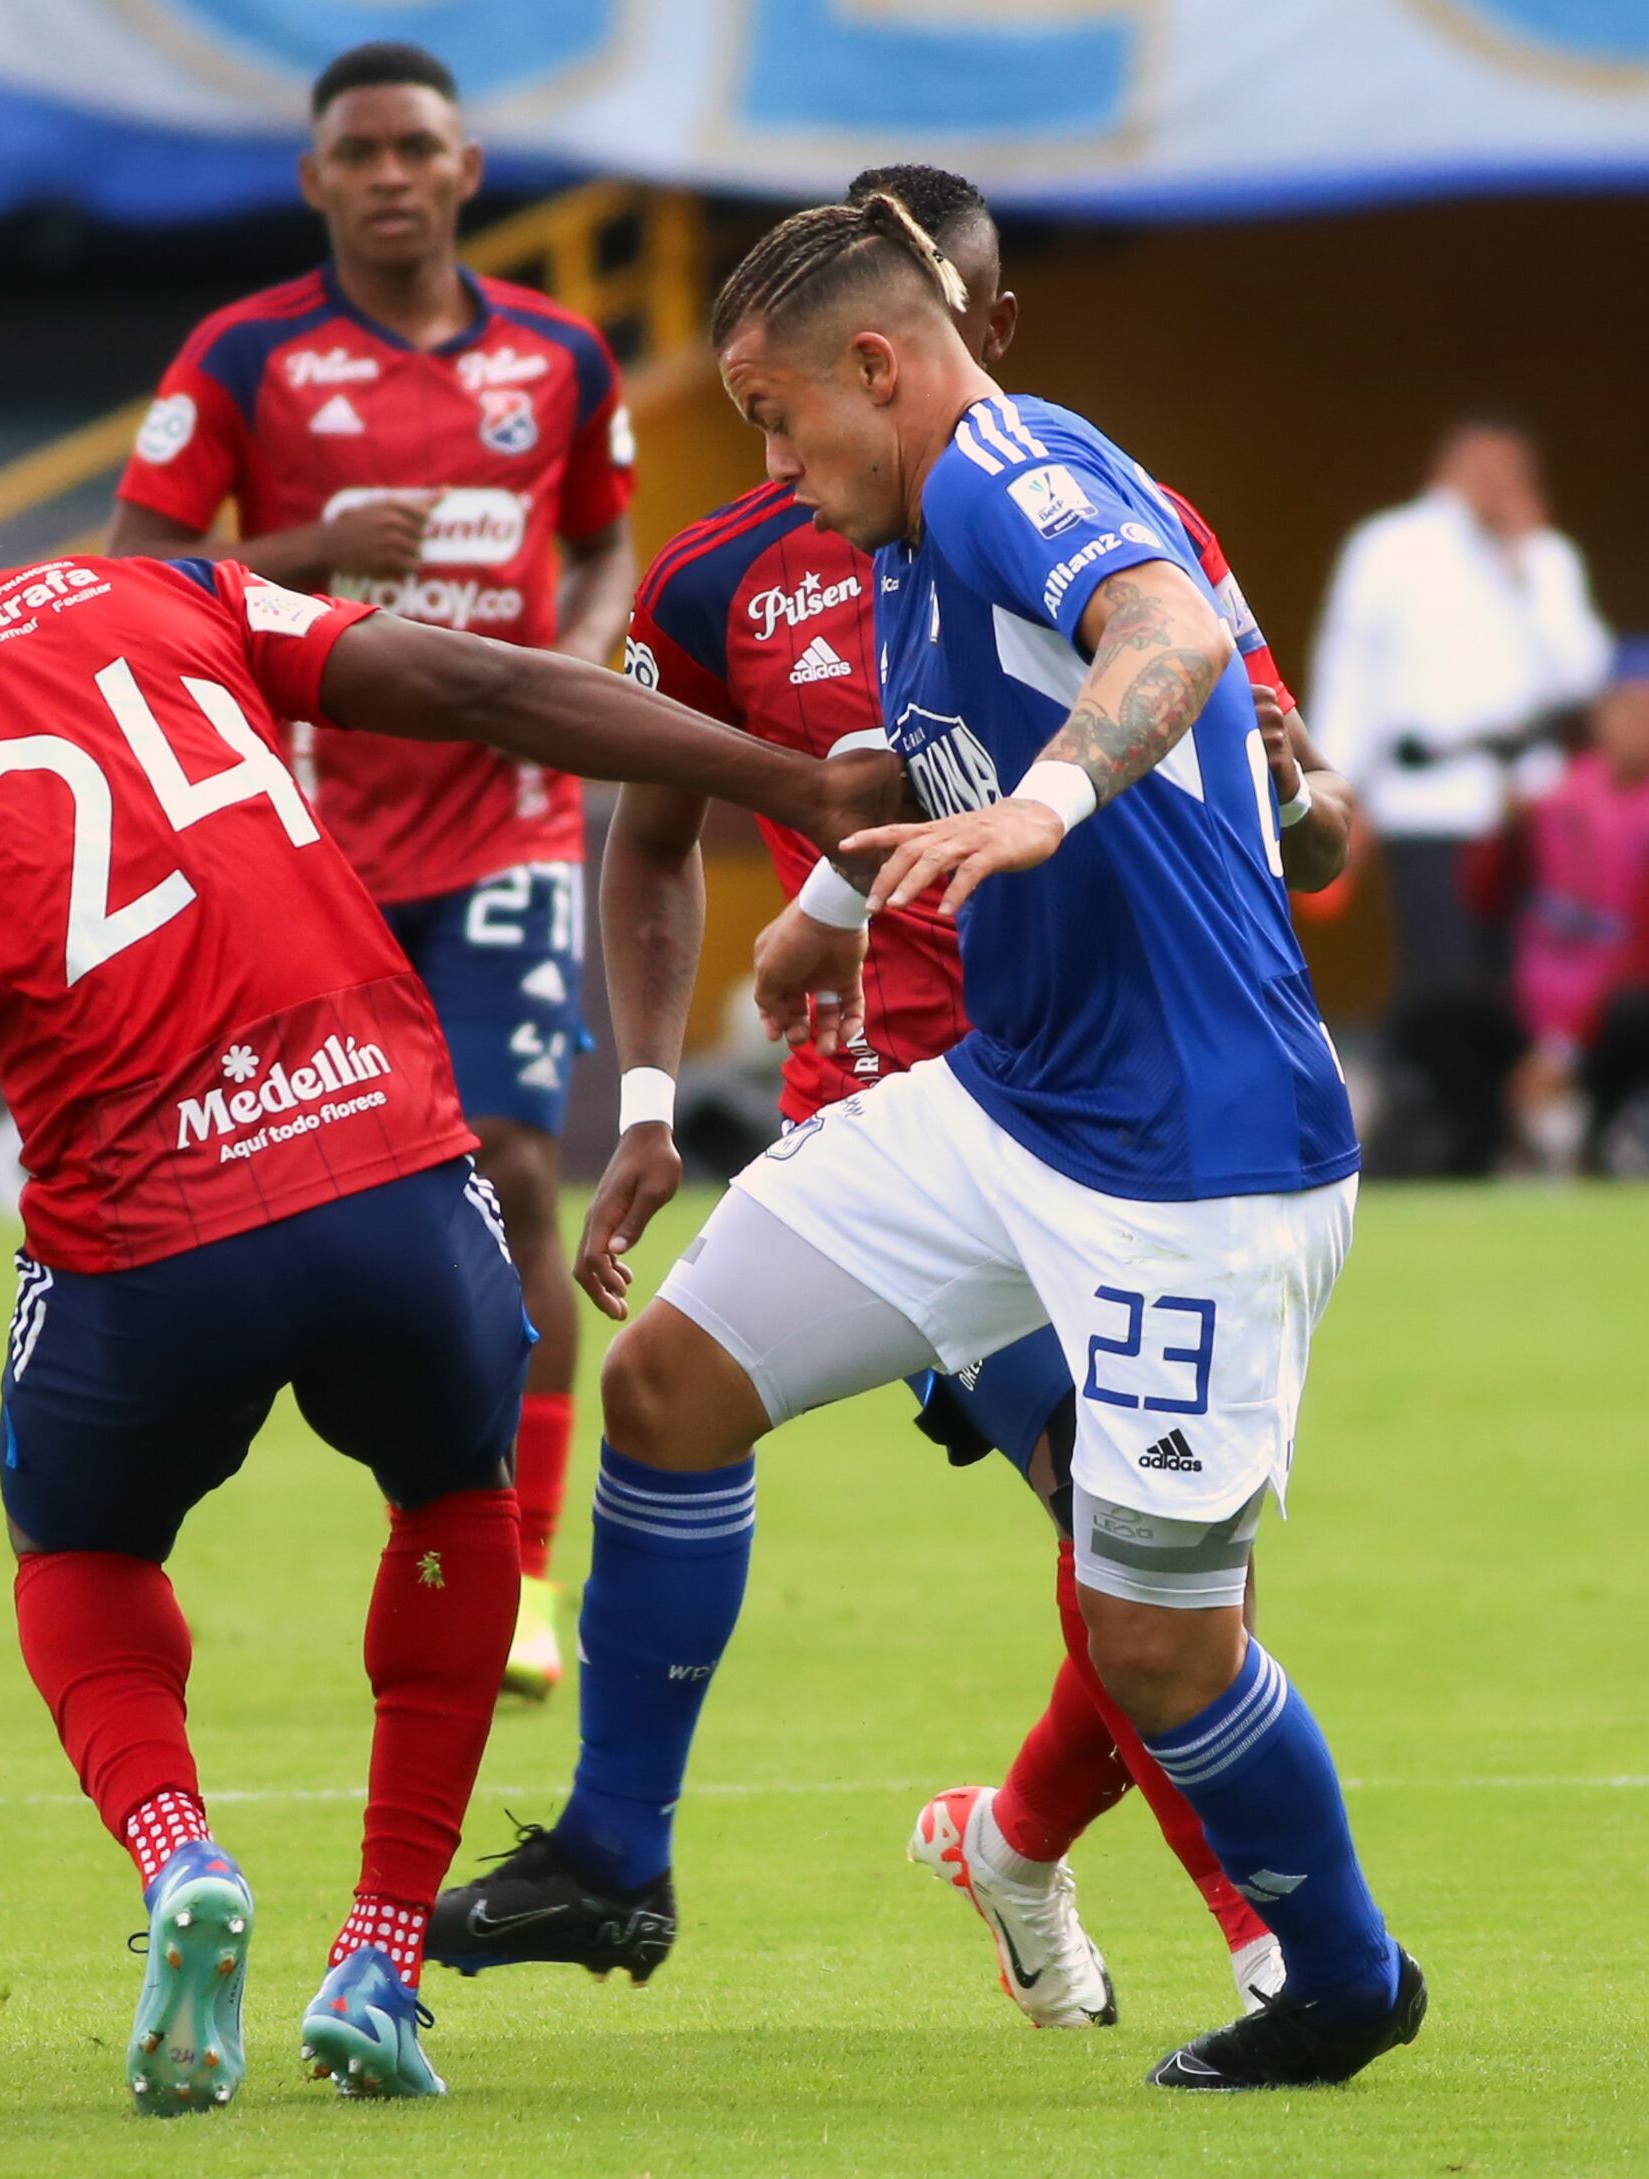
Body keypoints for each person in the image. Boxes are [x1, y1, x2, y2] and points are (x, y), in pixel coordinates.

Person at [0, 440, 888, 2112]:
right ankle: (386, 1954)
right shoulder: (150, 587)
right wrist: (784, 778)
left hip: (146, 1243)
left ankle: (181, 1854)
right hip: (392, 1179)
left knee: (81, 1544)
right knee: (453, 1499)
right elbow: (478, 679)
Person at [432, 196, 1425, 2092]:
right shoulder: (895, 533)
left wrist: (1052, 803)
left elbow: (1158, 632)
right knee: (666, 1383)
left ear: (879, 366)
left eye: (777, 416)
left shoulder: (998, 470)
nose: (774, 464)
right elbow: (973, 727)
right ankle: (614, 1858)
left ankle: (1346, 1974)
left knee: (1159, 1650)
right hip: (1006, 1102)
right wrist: (844, 863)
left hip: (1195, 1163)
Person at [107, 40, 636, 1702]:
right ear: (316, 180)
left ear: (469, 167)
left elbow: (604, 535)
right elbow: (138, 578)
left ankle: (525, 1559)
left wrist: (584, 668)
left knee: (514, 1164)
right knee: (308, 1197)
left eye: (419, 145)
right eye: (361, 151)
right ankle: (355, 1492)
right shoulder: (246, 355)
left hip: (505, 825)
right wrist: (311, 558)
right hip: (305, 836)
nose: (392, 172)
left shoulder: (560, 356)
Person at [1312, 413, 1610, 1173]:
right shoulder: (1389, 547)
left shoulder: (1545, 558)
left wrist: (1527, 566)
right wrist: (1339, 785)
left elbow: (1582, 673)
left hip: (1523, 802)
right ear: (1452, 465)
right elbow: (1353, 671)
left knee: (1524, 980)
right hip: (1428, 801)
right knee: (1444, 981)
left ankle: (1496, 1131)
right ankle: (1435, 1121)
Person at [1463, 637, 1649, 1174]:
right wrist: (1506, 828)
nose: (1628, 722)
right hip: (1546, 1005)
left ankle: (1598, 1144)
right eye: (1618, 706)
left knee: (1635, 1015)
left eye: (1647, 709)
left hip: (1627, 1017)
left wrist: (1563, 1051)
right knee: (1440, 1014)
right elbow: (1484, 897)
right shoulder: (1562, 793)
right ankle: (1488, 1148)